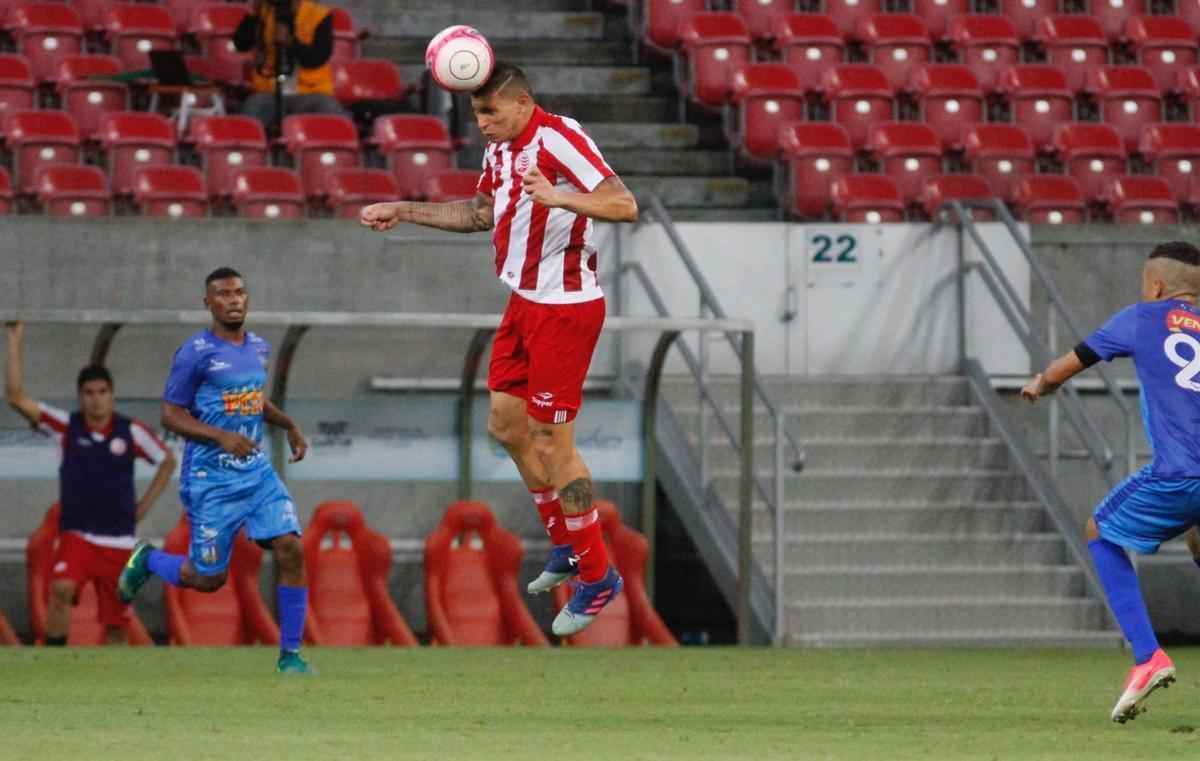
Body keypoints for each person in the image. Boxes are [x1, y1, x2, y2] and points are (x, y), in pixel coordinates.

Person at [359, 63, 638, 637]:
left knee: (552, 442)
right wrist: (404, 210)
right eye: (476, 114)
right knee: (507, 425)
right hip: (522, 302)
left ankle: (598, 575)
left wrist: (559, 196)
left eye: (490, 113)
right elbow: (480, 214)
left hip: (565, 308)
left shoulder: (560, 137)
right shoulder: (502, 150)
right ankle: (565, 542)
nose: (482, 124)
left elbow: (623, 204)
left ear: (522, 103)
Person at [1021, 240, 1200, 723]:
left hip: (1181, 472)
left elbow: (1072, 362)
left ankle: (1148, 658)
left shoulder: (1142, 317)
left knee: (1099, 532)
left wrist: (1042, 383)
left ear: (1156, 286)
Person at [117, 267, 312, 673]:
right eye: (223, 294)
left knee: (291, 547)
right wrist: (219, 437)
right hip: (211, 479)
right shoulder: (195, 353)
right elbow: (170, 415)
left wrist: (288, 424)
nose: (234, 299)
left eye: (240, 292)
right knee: (207, 579)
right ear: (208, 303)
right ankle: (150, 559)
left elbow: (252, 399)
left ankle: (290, 657)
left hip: (256, 473)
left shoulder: (258, 347)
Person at [4, 321, 175, 645]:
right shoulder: (67, 427)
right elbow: (15, 397)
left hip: (119, 541)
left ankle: (109, 687)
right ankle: (52, 664)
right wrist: (14, 341)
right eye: (89, 393)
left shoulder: (131, 431)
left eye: (102, 392)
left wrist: (144, 507)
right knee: (61, 589)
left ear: (111, 395)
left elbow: (167, 460)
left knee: (116, 625)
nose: (96, 400)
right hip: (78, 535)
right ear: (80, 397)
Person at [233, 0, 345, 130]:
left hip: (311, 92)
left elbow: (317, 58)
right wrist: (253, 15)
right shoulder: (265, 11)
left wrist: (290, 42)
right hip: (269, 92)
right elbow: (241, 44)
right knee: (250, 115)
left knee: (333, 117)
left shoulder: (318, 14)